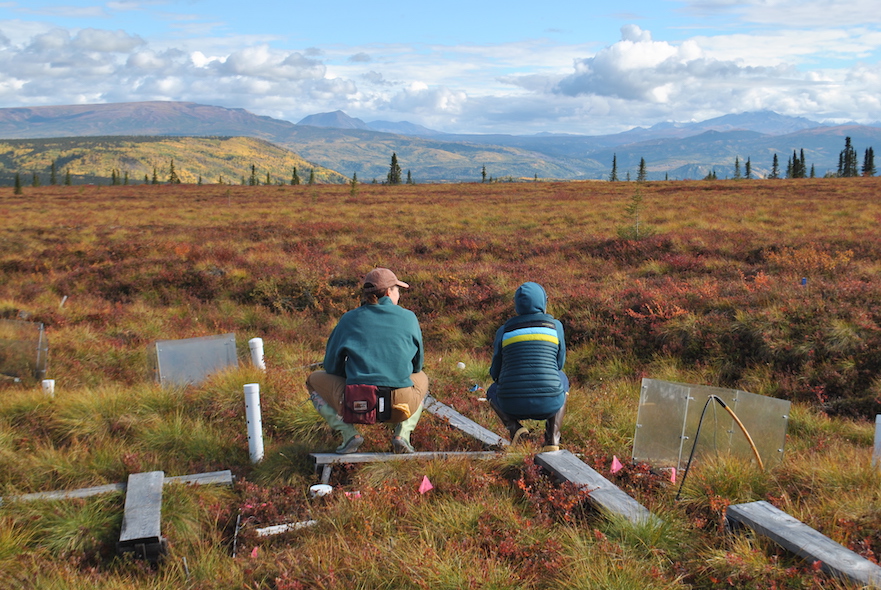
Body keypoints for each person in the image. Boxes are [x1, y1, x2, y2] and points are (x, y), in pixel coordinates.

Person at [306, 268, 429, 454]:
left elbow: (331, 367)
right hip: (401, 405)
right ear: (389, 292)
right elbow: (417, 365)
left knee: (313, 380)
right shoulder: (409, 317)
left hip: (357, 404)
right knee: (422, 378)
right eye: (397, 289)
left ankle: (348, 434)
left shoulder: (348, 319)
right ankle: (403, 435)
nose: (399, 294)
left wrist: (354, 373)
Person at [487, 281, 568, 452]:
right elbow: (559, 364)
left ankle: (516, 429)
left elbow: (495, 371)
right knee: (562, 378)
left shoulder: (504, 330)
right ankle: (552, 438)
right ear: (543, 302)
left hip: (511, 405)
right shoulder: (555, 326)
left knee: (492, 390)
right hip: (549, 403)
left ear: (517, 304)